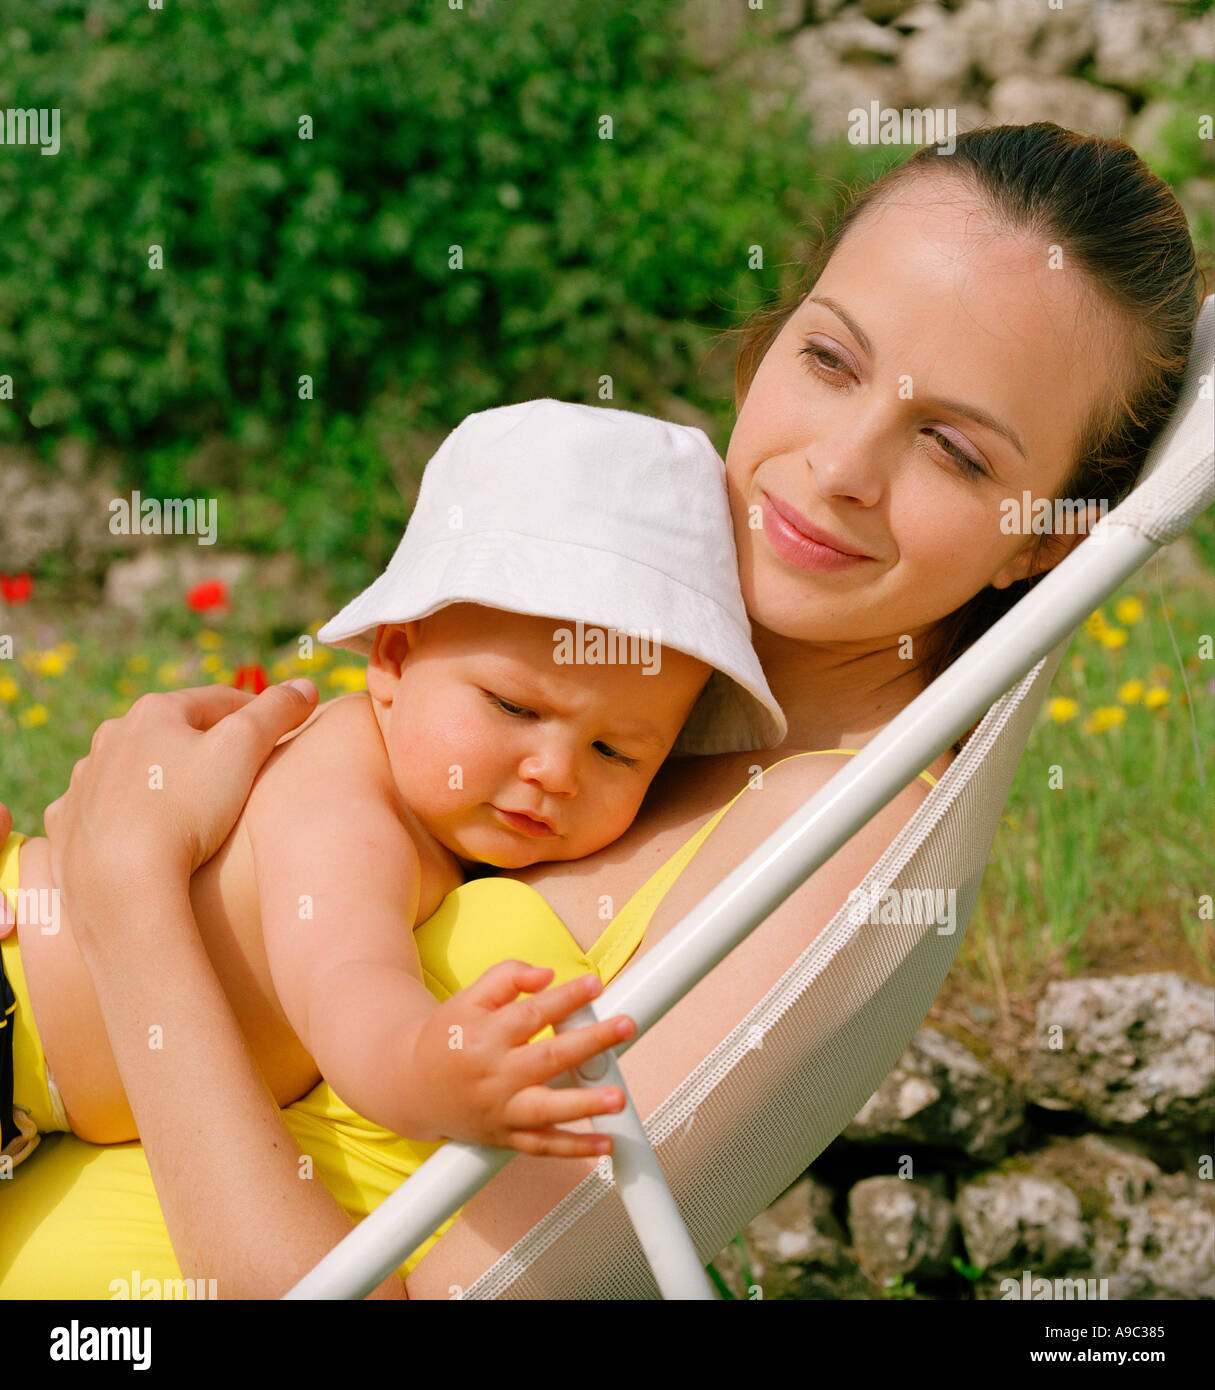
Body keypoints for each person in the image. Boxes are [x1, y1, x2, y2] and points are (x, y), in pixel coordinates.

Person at [0, 123, 1204, 1299]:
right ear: (762, 353)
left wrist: (127, 893)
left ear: (1042, 544)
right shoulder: (608, 639)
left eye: (953, 448)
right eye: (830, 360)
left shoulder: (842, 843)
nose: (842, 463)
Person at [0, 400, 785, 1163]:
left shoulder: (443, 821)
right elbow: (345, 977)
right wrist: (428, 1064)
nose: (556, 771)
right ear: (395, 660)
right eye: (513, 706)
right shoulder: (347, 794)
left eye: (617, 753)